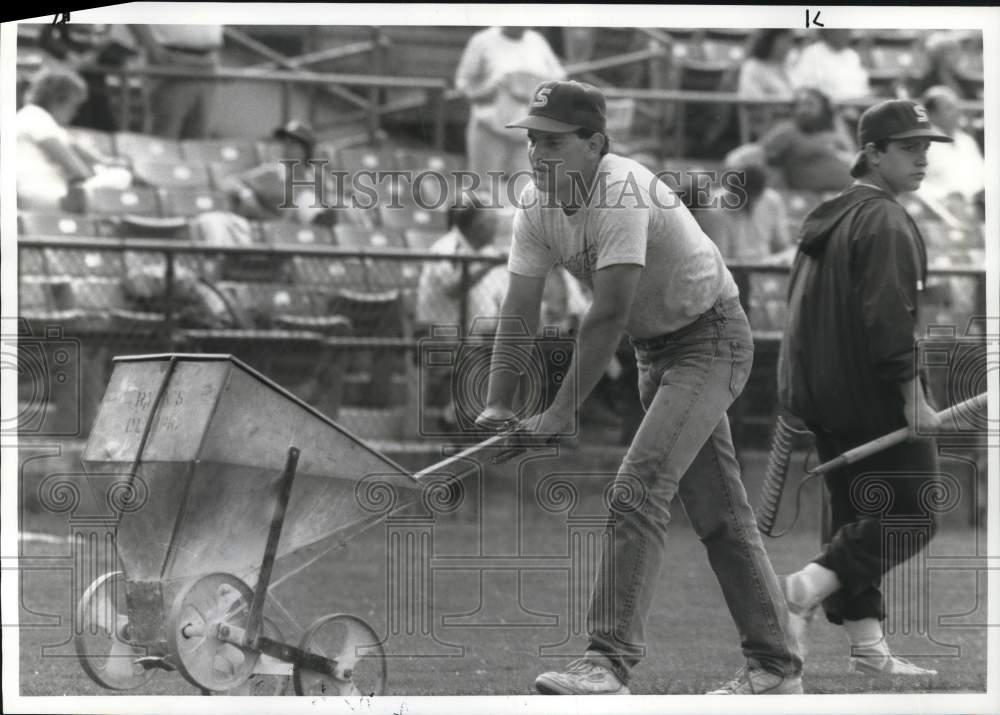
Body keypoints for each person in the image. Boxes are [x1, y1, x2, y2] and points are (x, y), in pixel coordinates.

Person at [475, 79, 803, 695]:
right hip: (658, 353)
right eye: (531, 143)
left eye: (552, 142)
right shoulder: (536, 205)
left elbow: (608, 313)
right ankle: (777, 669)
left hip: (712, 340)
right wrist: (499, 402)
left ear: (595, 143)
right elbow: (520, 313)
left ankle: (607, 663)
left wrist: (556, 414)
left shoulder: (621, 187)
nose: (537, 155)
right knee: (722, 518)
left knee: (638, 488)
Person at [777, 99, 952, 677]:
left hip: (828, 395)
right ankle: (806, 585)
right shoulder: (885, 220)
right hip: (873, 394)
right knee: (914, 514)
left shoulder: (832, 213)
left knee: (860, 515)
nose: (921, 158)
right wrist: (913, 399)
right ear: (872, 154)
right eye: (908, 147)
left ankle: (869, 650)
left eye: (926, 147)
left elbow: (798, 314)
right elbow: (890, 317)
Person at [454, 27, 566, 183]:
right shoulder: (482, 41)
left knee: (526, 194)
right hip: (489, 129)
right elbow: (463, 82)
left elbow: (559, 78)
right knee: (483, 194)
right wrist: (484, 91)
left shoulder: (537, 42)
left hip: (527, 135)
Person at [16, 67, 132, 211]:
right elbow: (77, 171)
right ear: (58, 100)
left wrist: (103, 163)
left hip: (42, 194)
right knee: (121, 176)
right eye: (74, 106)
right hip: (42, 195)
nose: (75, 113)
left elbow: (76, 147)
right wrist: (98, 171)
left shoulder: (36, 117)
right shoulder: (36, 116)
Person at [131, 24, 224, 139]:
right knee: (164, 138)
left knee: (198, 140)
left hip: (207, 63)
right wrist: (154, 51)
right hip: (172, 60)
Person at [760, 87, 856, 192]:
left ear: (824, 109)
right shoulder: (787, 132)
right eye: (799, 105)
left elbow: (852, 157)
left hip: (848, 194)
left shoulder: (836, 135)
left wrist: (837, 121)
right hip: (808, 198)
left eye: (809, 104)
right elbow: (758, 156)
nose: (803, 110)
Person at [917, 85, 984, 208]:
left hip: (977, 208)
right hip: (940, 211)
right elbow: (913, 185)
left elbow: (983, 176)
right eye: (949, 108)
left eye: (956, 106)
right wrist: (944, 197)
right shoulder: (918, 145)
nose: (957, 112)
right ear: (931, 115)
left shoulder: (967, 141)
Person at [738, 29, 796, 141]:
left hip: (796, 122)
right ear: (769, 41)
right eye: (783, 40)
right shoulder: (753, 67)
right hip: (770, 126)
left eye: (790, 41)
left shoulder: (789, 67)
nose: (788, 46)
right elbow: (751, 99)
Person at [788, 29, 870, 103]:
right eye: (841, 30)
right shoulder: (812, 53)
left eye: (847, 30)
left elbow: (862, 87)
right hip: (830, 111)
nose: (845, 34)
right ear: (828, 31)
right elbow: (801, 88)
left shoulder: (852, 55)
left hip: (860, 106)